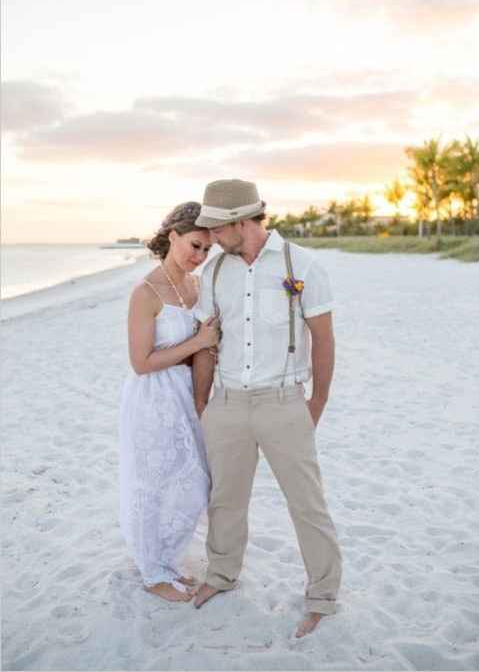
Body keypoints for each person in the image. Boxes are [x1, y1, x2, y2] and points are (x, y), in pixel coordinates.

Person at [191, 179, 342, 637]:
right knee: (225, 500)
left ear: (241, 221)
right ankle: (220, 574)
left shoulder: (303, 264)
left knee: (307, 505)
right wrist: (203, 403)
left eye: (217, 229)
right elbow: (206, 343)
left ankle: (322, 596)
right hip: (229, 403)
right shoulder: (216, 274)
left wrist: (315, 402)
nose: (211, 239)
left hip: (284, 403)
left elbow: (323, 338)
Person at [119, 201, 219, 602]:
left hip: (188, 394)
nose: (200, 257)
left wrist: (202, 398)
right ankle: (153, 572)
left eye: (207, 250)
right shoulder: (145, 292)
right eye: (195, 246)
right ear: (172, 236)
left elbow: (207, 349)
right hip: (153, 397)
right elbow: (141, 362)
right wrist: (197, 341)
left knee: (193, 482)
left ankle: (168, 560)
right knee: (153, 483)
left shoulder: (198, 287)